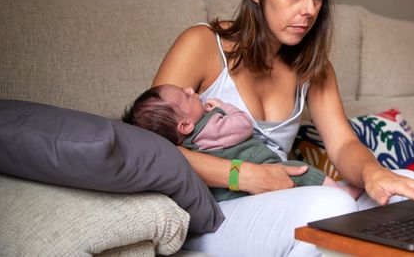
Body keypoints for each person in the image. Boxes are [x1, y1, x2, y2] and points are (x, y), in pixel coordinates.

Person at [152, 0, 414, 255]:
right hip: (212, 211)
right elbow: (151, 148)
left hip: (283, 198)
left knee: (404, 190)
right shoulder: (201, 44)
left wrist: (374, 173)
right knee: (331, 205)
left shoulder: (314, 66)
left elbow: (342, 144)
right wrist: (243, 175)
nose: (310, 9)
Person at [122, 84, 362, 201]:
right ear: (184, 126)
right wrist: (223, 107)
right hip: (256, 165)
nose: (190, 89)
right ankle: (340, 193)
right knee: (304, 172)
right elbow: (243, 125)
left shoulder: (190, 138)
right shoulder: (211, 127)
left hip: (235, 190)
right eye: (186, 96)